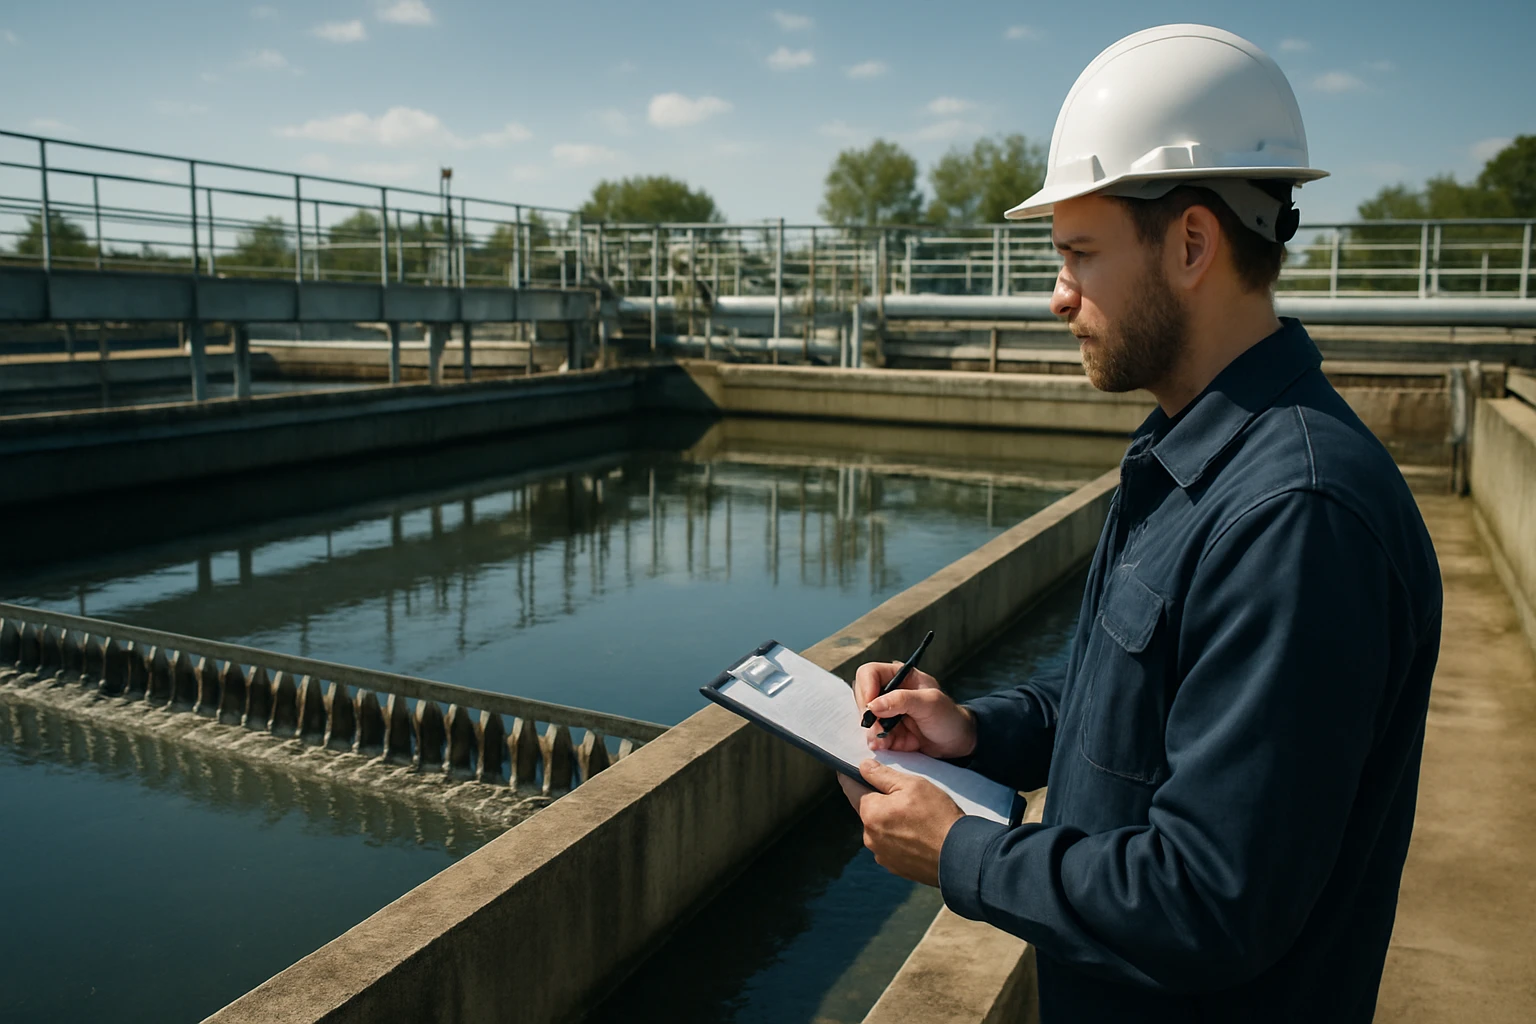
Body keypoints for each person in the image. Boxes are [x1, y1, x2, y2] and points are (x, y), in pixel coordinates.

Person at [839, 24, 1442, 1023]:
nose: (1056, 295)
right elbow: (1122, 696)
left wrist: (962, 851)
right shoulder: (1190, 452)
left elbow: (1210, 898)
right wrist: (975, 731)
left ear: (1193, 243)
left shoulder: (1298, 517)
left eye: (1079, 253)